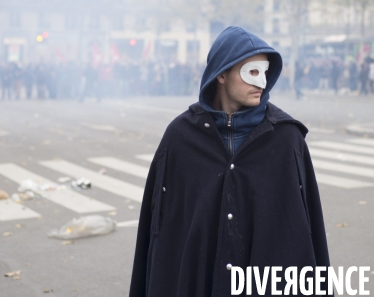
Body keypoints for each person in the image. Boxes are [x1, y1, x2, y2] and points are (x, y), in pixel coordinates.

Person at [129, 26, 332, 297]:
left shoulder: (286, 138)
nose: (261, 82)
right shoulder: (180, 138)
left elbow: (309, 228)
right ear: (222, 73)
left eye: (265, 72)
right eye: (251, 72)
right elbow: (158, 231)